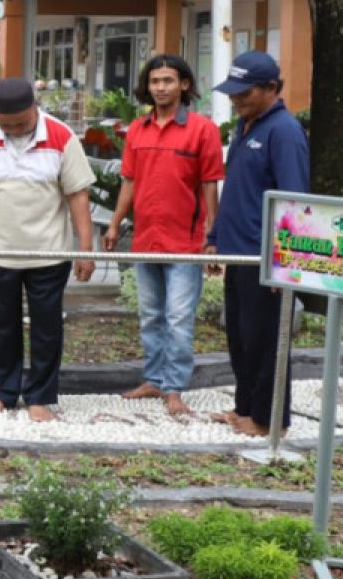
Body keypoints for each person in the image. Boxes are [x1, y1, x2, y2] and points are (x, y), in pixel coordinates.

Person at [0, 77, 96, 422]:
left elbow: (77, 194)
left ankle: (40, 397)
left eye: (22, 122)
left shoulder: (61, 136)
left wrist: (85, 249)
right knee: (0, 326)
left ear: (35, 107)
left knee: (47, 328)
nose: (14, 129)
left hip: (49, 253)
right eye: (7, 123)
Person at [103, 54, 224, 416]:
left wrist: (212, 235)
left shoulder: (203, 129)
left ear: (184, 84)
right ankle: (154, 380)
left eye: (169, 81)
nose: (161, 88)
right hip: (145, 240)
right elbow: (128, 181)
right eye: (155, 81)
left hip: (186, 244)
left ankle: (174, 388)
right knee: (151, 315)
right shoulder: (137, 129)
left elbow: (210, 185)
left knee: (178, 318)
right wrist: (114, 223)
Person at [205, 51, 309, 437]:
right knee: (241, 336)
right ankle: (245, 408)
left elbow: (294, 199)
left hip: (266, 256)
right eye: (232, 92)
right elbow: (237, 190)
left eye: (244, 92)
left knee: (266, 339)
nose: (236, 99)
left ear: (271, 88)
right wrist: (216, 240)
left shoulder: (284, 131)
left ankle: (269, 420)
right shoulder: (246, 125)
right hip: (239, 253)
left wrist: (286, 261)